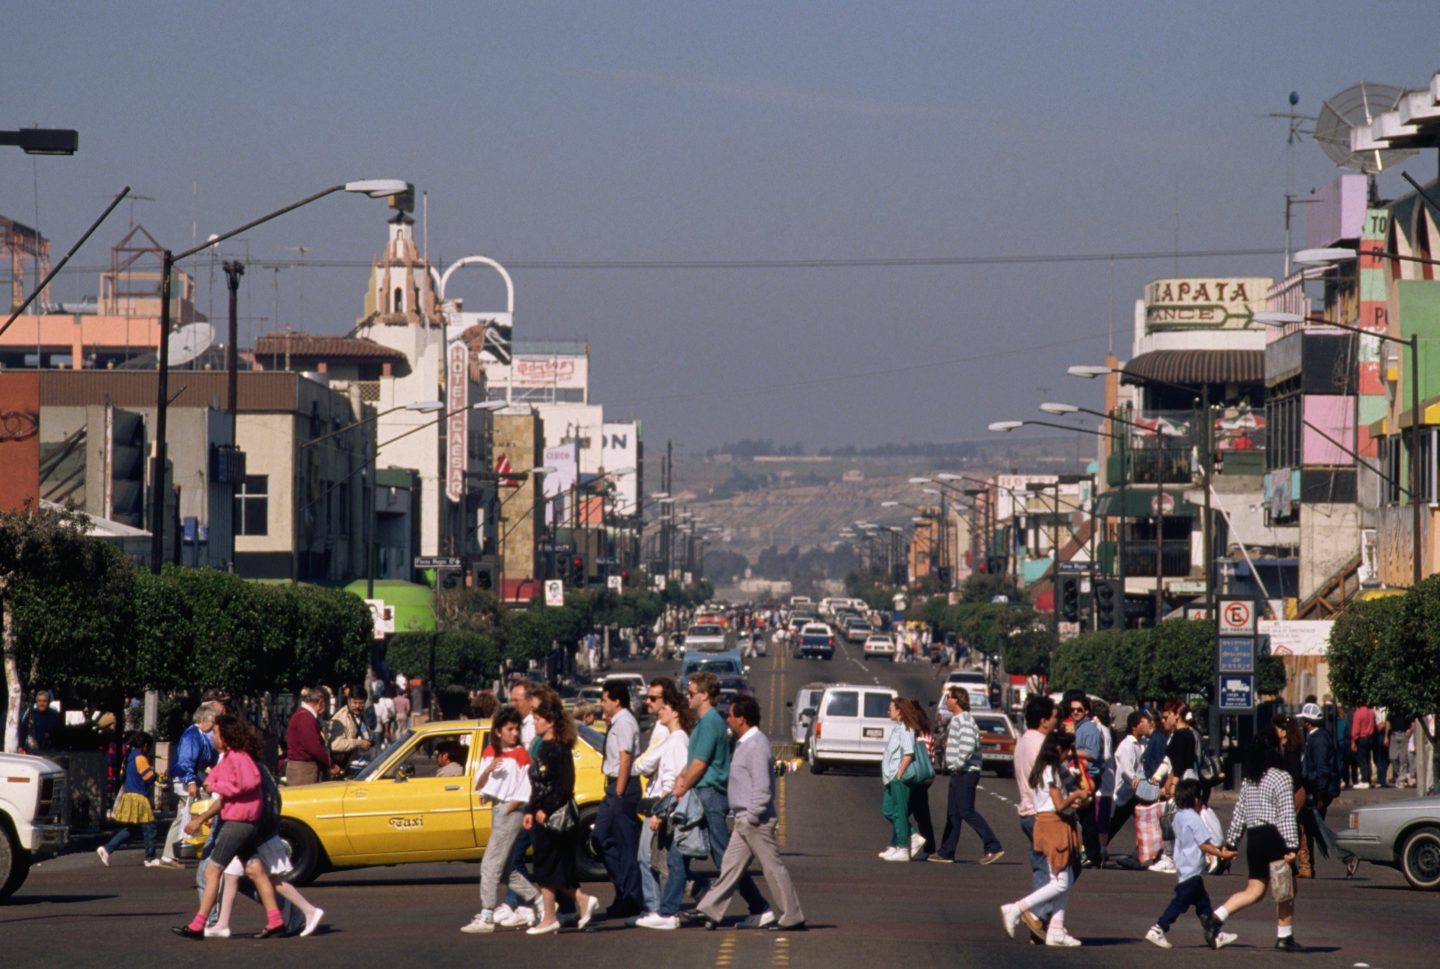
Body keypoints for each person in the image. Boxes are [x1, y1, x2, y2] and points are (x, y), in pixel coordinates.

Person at [691, 696, 806, 931]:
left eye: (731, 715)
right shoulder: (745, 743)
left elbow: (763, 787)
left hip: (755, 821)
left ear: (741, 719)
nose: (728, 720)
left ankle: (792, 916)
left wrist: (752, 816)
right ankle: (709, 910)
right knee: (730, 868)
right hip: (744, 820)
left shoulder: (756, 745)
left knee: (772, 868)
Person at [671, 672, 773, 926]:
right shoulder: (705, 722)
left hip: (710, 795)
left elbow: (700, 764)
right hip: (702, 793)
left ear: (705, 695)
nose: (687, 697)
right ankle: (676, 906)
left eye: (691, 693)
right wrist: (681, 777)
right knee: (687, 852)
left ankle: (758, 906)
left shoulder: (710, 723)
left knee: (724, 857)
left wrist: (682, 787)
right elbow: (693, 761)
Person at [194, 744, 325, 939]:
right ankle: (221, 923)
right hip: (250, 827)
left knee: (268, 878)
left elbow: (238, 791)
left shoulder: (244, 763)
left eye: (217, 733)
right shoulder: (245, 761)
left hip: (252, 829)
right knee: (232, 875)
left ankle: (304, 911)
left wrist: (210, 800)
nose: (214, 737)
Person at [173, 715, 284, 940]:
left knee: (212, 870)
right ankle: (275, 920)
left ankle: (198, 924)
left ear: (226, 736)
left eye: (215, 733)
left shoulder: (239, 757)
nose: (212, 737)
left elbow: (246, 784)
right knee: (255, 871)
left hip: (238, 822)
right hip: (242, 821)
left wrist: (216, 785)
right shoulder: (232, 757)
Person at [1210, 734, 1302, 951]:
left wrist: (1231, 843)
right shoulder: (1282, 777)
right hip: (1274, 837)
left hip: (1254, 838)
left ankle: (1215, 917)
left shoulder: (1249, 780)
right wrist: (1292, 845)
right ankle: (1284, 936)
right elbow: (1286, 814)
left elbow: (1239, 813)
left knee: (1255, 890)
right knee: (1286, 889)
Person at [1000, 730, 1089, 947]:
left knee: (1066, 878)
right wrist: (1077, 795)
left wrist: (1075, 799)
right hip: (1052, 825)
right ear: (1058, 749)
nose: (1068, 755)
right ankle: (1018, 908)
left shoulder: (1046, 768)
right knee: (1060, 881)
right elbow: (1058, 804)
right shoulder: (1051, 770)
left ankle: (1056, 928)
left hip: (1054, 822)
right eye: (1066, 751)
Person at [521, 693, 600, 935]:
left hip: (554, 818)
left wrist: (546, 809)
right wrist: (531, 810)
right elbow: (538, 785)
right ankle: (578, 902)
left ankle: (551, 916)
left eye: (538, 719)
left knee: (547, 867)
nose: (535, 723)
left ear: (550, 722)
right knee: (550, 867)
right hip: (540, 816)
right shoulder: (543, 747)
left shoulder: (557, 748)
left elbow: (564, 784)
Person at [462, 706, 541, 934]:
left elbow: (526, 787)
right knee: (507, 870)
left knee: (490, 865)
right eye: (509, 729)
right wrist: (489, 770)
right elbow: (479, 784)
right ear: (498, 731)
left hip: (509, 810)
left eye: (516, 729)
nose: (514, 733)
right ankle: (540, 901)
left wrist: (512, 806)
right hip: (497, 808)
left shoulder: (521, 754)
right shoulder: (490, 751)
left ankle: (487, 915)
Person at [1144, 778, 1238, 949]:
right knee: (1180, 903)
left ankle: (1215, 935)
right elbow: (1204, 844)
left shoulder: (1178, 816)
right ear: (1196, 800)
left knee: (1203, 904)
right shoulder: (1195, 819)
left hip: (1183, 866)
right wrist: (1221, 854)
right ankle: (1158, 928)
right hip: (1192, 869)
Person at [635, 682, 694, 930]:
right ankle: (664, 907)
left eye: (664, 708)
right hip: (666, 806)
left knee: (653, 859)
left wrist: (660, 811)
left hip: (666, 808)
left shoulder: (677, 741)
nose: (659, 711)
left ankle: (661, 909)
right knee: (663, 861)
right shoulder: (675, 738)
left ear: (675, 712)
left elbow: (674, 780)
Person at [932, 687, 1003, 865]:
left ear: (957, 700)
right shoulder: (958, 719)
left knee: (966, 811)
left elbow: (968, 744)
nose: (946, 701)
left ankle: (993, 846)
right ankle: (946, 851)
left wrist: (957, 764)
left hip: (965, 772)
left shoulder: (963, 720)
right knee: (953, 813)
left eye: (949, 697)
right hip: (959, 772)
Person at [596, 680, 645, 919]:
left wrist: (620, 791)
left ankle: (632, 898)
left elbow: (625, 758)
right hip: (614, 785)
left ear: (617, 701)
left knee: (626, 846)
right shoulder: (616, 721)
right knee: (600, 837)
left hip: (622, 786)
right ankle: (622, 889)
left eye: (605, 699)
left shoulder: (624, 722)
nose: (602, 704)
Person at [159, 700, 225, 869]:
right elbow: (185, 761)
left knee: (183, 815)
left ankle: (170, 854)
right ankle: (174, 853)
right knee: (189, 813)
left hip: (193, 778)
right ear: (203, 720)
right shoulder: (192, 736)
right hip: (186, 780)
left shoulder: (200, 735)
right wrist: (191, 782)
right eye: (212, 721)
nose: (214, 725)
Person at [1014, 695, 1060, 932]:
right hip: (1042, 813)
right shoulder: (1043, 744)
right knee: (1060, 870)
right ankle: (1037, 914)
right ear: (1044, 721)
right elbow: (1054, 779)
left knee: (1042, 867)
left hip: (1026, 811)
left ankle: (1040, 922)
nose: (1057, 722)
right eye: (1054, 717)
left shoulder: (1023, 740)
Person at [97, 730, 161, 867]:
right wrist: (154, 772)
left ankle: (107, 849)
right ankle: (150, 858)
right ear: (145, 745)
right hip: (139, 797)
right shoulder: (140, 758)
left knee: (131, 829)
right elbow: (148, 778)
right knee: (149, 828)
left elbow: (122, 776)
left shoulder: (128, 757)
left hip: (128, 795)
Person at [879, 696, 922, 861]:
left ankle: (903, 848)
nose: (888, 711)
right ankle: (912, 836)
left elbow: (909, 753)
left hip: (899, 778)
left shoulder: (906, 728)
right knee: (888, 810)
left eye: (891, 708)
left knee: (899, 812)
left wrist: (899, 774)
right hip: (891, 777)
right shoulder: (897, 728)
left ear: (900, 711)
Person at [1066, 692, 1104, 867]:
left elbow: (1092, 753)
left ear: (1086, 711)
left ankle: (1092, 854)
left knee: (1086, 817)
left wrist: (1070, 752)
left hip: (1089, 776)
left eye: (1079, 710)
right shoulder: (1079, 727)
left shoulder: (1089, 728)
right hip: (1080, 774)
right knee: (1082, 816)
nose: (1075, 712)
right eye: (1073, 710)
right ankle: (1090, 853)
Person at [1108, 711, 1154, 844]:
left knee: (1145, 823)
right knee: (1115, 824)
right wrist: (1140, 783)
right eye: (1144, 722)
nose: (1148, 725)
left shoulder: (1142, 743)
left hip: (1136, 792)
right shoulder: (1126, 746)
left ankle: (1142, 849)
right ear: (1134, 726)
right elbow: (1126, 771)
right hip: (1126, 793)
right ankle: (1096, 848)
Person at [903, 697, 939, 860]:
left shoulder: (914, 737)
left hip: (914, 778)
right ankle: (929, 847)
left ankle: (901, 844)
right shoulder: (928, 735)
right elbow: (932, 758)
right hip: (926, 778)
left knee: (900, 812)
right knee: (922, 814)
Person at [284, 688, 332, 786]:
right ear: (321, 702)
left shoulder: (303, 715)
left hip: (302, 769)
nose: (325, 711)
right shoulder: (305, 717)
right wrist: (330, 763)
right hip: (303, 771)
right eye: (326, 706)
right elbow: (313, 746)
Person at [329, 686, 373, 772]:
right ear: (348, 701)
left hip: (358, 765)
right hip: (341, 768)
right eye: (354, 702)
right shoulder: (340, 718)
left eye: (361, 703)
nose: (357, 706)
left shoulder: (362, 715)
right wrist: (358, 743)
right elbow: (335, 745)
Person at [1350, 701, 1377, 789]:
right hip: (1370, 737)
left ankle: (1365, 780)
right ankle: (1368, 779)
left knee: (1362, 760)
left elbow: (1356, 729)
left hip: (1361, 738)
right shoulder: (1371, 712)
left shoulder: (1358, 713)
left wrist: (1353, 740)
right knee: (1367, 759)